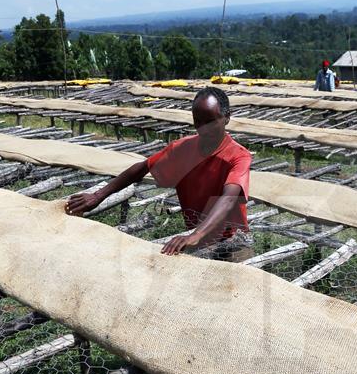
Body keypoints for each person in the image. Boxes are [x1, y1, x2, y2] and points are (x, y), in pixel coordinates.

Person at [65, 87, 252, 261]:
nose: (203, 128)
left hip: (232, 242)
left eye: (210, 121)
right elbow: (142, 168)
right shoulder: (183, 149)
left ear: (227, 117)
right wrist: (98, 196)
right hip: (197, 240)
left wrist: (195, 236)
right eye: (198, 122)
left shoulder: (238, 156)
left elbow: (228, 199)